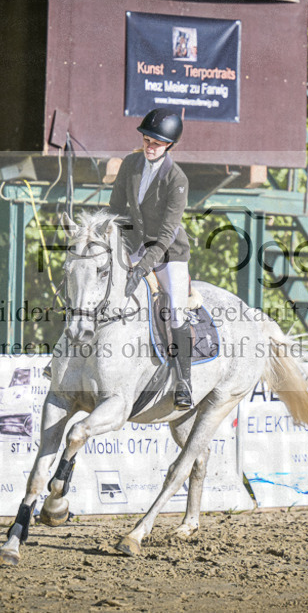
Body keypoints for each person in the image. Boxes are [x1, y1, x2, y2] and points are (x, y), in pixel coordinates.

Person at [108, 109, 194, 410]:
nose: (149, 147)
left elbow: (167, 233)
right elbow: (115, 209)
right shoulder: (130, 164)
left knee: (177, 312)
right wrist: (107, 240)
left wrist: (142, 268)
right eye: (146, 140)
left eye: (156, 143)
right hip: (136, 243)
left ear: (169, 145)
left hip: (169, 253)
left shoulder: (177, 179)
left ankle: (184, 382)